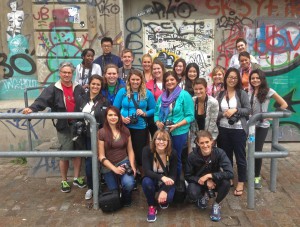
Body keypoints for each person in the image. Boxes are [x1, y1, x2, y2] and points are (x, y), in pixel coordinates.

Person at [22, 62, 86, 193]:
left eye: (69, 72)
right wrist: (32, 109)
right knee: (65, 153)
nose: (67, 75)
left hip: (78, 125)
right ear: (60, 73)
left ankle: (76, 177)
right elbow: (42, 101)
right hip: (64, 126)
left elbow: (85, 102)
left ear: (72, 74)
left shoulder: (78, 87)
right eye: (64, 72)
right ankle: (64, 180)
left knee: (78, 152)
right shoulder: (53, 88)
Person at [249, 69, 288, 189]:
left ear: (262, 79)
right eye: (253, 78)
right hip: (251, 126)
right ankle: (250, 172)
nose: (255, 80)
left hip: (262, 126)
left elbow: (284, 104)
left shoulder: (268, 91)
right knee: (250, 149)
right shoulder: (249, 91)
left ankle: (256, 177)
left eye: (257, 78)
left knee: (257, 150)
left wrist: (272, 115)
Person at [216, 67, 251, 196]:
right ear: (226, 79)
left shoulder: (242, 93)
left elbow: (248, 110)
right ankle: (229, 177)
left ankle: (241, 181)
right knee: (226, 156)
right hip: (223, 129)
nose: (232, 80)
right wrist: (224, 113)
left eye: (235, 78)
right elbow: (216, 112)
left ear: (238, 80)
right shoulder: (220, 94)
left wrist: (235, 110)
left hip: (238, 130)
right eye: (230, 77)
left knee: (240, 157)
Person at [113, 69, 156, 173]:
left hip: (140, 127)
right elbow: (114, 109)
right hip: (124, 126)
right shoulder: (122, 92)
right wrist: (122, 118)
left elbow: (155, 109)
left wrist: (145, 113)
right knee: (124, 151)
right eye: (133, 79)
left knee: (139, 152)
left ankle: (139, 173)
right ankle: (127, 172)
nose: (135, 82)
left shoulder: (147, 93)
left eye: (138, 79)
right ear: (129, 80)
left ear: (141, 80)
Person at [185, 130, 233, 222]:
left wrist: (210, 176)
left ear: (212, 141)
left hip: (215, 180)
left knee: (226, 183)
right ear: (198, 143)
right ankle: (202, 196)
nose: (205, 145)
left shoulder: (219, 153)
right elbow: (188, 176)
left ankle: (216, 204)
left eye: (207, 142)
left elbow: (230, 173)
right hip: (199, 181)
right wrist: (205, 181)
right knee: (192, 192)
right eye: (202, 143)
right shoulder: (192, 156)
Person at [75, 74, 109, 200]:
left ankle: (99, 185)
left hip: (98, 136)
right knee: (89, 163)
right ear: (89, 84)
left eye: (98, 84)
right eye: (93, 84)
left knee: (97, 161)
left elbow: (107, 120)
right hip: (84, 135)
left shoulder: (104, 101)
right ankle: (91, 187)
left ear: (101, 87)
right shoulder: (81, 99)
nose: (95, 86)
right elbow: (76, 115)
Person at [154, 71, 194, 177]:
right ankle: (164, 177)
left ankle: (176, 181)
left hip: (179, 132)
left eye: (172, 79)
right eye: (167, 80)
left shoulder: (184, 95)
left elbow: (190, 116)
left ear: (177, 81)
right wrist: (158, 122)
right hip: (164, 132)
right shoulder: (162, 97)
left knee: (176, 157)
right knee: (163, 155)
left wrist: (177, 125)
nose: (169, 82)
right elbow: (156, 114)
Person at [98, 106, 136, 206]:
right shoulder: (101, 132)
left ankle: (126, 198)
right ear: (106, 117)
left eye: (115, 115)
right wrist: (114, 169)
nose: (113, 117)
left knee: (129, 184)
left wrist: (132, 166)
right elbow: (101, 156)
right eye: (110, 115)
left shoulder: (125, 131)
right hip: (108, 166)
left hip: (123, 161)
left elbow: (130, 151)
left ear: (119, 117)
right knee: (114, 192)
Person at [142, 130, 177, 222]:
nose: (161, 142)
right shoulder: (147, 150)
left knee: (168, 198)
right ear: (154, 140)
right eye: (158, 139)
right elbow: (147, 171)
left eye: (164, 140)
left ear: (168, 142)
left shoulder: (173, 153)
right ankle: (152, 205)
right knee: (146, 182)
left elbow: (173, 175)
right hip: (154, 178)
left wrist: (165, 190)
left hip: (167, 181)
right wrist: (161, 177)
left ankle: (163, 197)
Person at [189, 78, 219, 152]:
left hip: (209, 136)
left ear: (205, 88)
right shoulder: (192, 101)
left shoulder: (213, 102)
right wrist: (196, 139)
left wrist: (205, 139)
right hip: (195, 136)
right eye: (196, 89)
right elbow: (191, 122)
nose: (198, 91)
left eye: (200, 89)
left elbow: (212, 122)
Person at [146, 58, 165, 137]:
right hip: (153, 117)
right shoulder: (148, 84)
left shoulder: (169, 82)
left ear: (162, 69)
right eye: (154, 69)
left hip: (167, 116)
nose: (156, 71)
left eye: (158, 68)